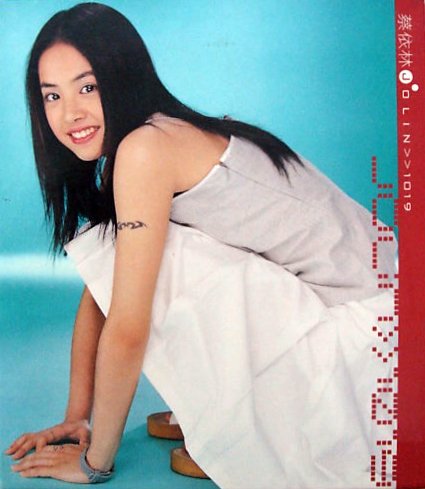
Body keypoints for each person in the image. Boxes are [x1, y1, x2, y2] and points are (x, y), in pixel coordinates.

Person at [4, 2, 397, 487]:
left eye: (88, 87)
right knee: (131, 256)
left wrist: (93, 462)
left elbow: (127, 325)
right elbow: (103, 288)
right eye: (52, 95)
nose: (70, 114)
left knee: (156, 266)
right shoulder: (158, 135)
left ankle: (247, 431)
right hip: (372, 317)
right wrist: (77, 418)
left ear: (123, 75)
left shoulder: (145, 150)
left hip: (369, 345)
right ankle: (236, 417)